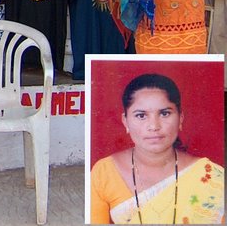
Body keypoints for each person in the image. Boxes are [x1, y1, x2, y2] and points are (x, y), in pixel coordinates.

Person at [90, 73, 225, 224]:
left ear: (180, 118)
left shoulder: (213, 177)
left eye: (165, 113)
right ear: (125, 121)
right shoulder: (104, 172)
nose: (154, 126)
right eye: (141, 115)